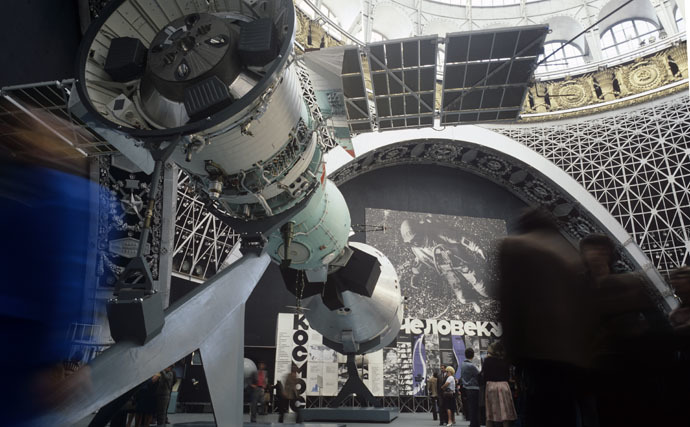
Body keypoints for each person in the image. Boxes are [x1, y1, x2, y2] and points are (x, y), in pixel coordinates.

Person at [497, 208, 597, 427]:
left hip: (537, 351)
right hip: (573, 356)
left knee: (539, 412)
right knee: (565, 415)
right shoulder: (570, 256)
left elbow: (510, 299)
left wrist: (511, 349)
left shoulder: (515, 247)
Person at [401, 217, 490, 313]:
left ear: (420, 232)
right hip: (447, 271)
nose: (414, 243)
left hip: (461, 264)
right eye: (410, 242)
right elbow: (420, 260)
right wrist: (416, 275)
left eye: (415, 238)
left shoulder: (438, 234)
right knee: (463, 297)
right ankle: (473, 300)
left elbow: (460, 237)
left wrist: (477, 248)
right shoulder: (415, 248)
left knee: (485, 290)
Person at [480, 342, 516, 427]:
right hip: (503, 386)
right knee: (505, 413)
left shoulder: (487, 360)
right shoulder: (505, 360)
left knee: (490, 414)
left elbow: (484, 375)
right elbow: (507, 375)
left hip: (491, 386)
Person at [460, 348, 481, 427]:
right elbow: (478, 375)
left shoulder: (462, 365)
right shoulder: (471, 366)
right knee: (475, 408)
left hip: (466, 388)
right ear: (473, 355)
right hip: (474, 388)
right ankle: (475, 424)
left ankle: (473, 423)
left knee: (471, 407)